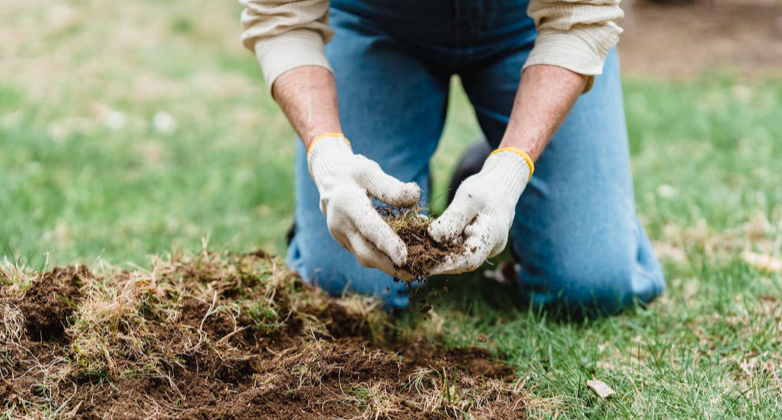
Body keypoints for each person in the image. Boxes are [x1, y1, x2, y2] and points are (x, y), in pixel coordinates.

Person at [240, 0, 665, 314]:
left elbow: (580, 19)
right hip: (375, 20)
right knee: (349, 288)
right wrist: (328, 159)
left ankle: (492, 165)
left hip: (529, 24)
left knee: (588, 286)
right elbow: (282, 18)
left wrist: (511, 168)